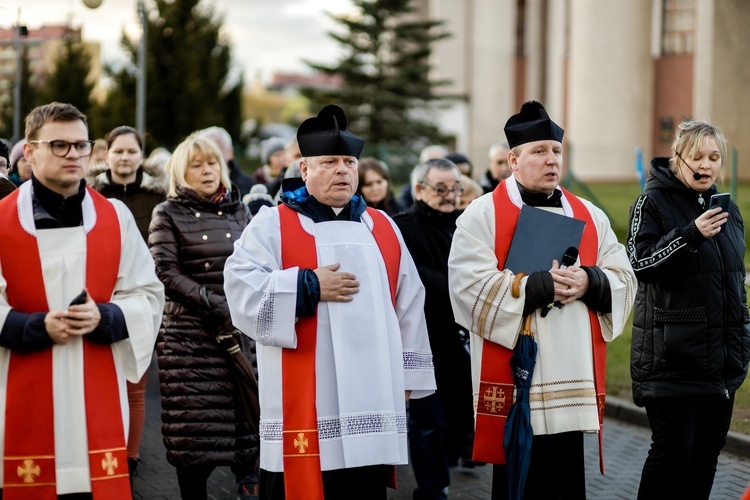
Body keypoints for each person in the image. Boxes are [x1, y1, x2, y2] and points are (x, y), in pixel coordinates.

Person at [223, 104, 436, 499]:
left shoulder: (382, 226)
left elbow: (410, 304)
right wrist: (307, 286)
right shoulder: (273, 223)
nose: (342, 170)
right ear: (303, 169)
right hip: (305, 396)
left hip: (372, 396)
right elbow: (240, 289)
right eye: (330, 162)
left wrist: (407, 378)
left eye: (349, 161)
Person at [448, 100, 636, 499]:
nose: (551, 160)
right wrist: (538, 287)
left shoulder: (590, 214)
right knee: (519, 480)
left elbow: (624, 277)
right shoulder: (482, 215)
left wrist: (591, 281)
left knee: (566, 479)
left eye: (556, 151)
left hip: (571, 375)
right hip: (519, 376)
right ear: (513, 160)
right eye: (539, 151)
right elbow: (467, 287)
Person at [0, 102, 164, 498]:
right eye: (59, 145)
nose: (73, 154)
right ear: (31, 151)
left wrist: (105, 317)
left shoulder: (115, 217)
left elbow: (147, 293)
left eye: (81, 145)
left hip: (98, 386)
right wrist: (34, 327)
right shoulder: (2, 219)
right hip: (21, 384)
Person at [627, 120, 750, 500]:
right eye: (697, 156)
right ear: (678, 158)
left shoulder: (729, 212)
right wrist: (691, 234)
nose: (706, 165)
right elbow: (640, 265)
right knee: (672, 456)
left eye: (714, 157)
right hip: (672, 360)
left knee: (704, 459)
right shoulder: (652, 202)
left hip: (720, 364)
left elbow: (731, 278)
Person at [147, 133, 258, 500]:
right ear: (182, 172)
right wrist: (214, 302)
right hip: (190, 339)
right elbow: (164, 270)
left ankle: (246, 480)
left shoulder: (241, 209)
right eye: (197, 165)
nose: (207, 170)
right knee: (195, 438)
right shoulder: (168, 212)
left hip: (238, 333)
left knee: (244, 428)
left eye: (212, 163)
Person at [90, 125, 167, 481]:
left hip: (141, 295)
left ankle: (131, 456)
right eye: (117, 151)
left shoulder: (159, 198)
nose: (124, 157)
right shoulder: (90, 195)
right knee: (102, 381)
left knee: (135, 382)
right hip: (101, 297)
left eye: (131, 151)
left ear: (141, 156)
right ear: (106, 154)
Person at [393, 158, 473, 500]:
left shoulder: (467, 226)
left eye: (455, 188)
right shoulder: (402, 227)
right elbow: (415, 278)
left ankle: (447, 463)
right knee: (428, 422)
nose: (449, 196)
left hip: (461, 339)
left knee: (460, 419)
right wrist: (460, 287)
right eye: (441, 189)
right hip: (423, 337)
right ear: (420, 189)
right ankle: (431, 488)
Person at [197, 126, 256, 197]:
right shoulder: (193, 185)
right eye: (206, 149)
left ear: (230, 152)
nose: (213, 154)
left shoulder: (249, 185)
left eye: (218, 148)